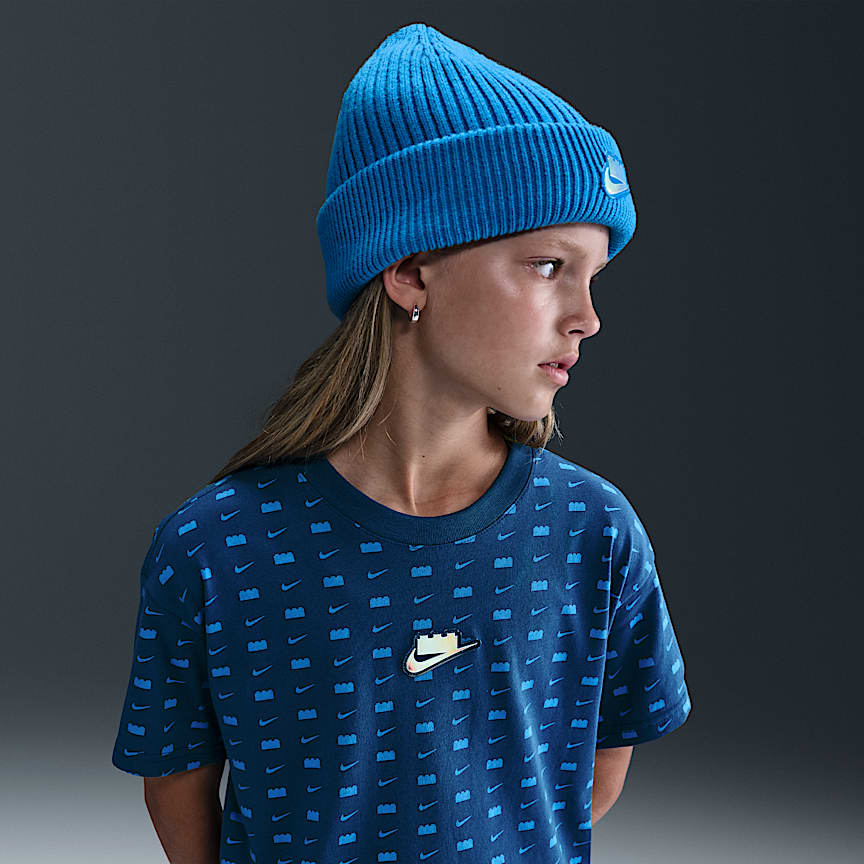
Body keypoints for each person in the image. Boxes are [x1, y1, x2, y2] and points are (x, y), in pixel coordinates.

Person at [111, 21, 692, 864]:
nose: (587, 318)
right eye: (547, 266)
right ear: (411, 271)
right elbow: (175, 784)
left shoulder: (593, 532)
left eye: (592, 277)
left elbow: (584, 778)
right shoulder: (215, 547)